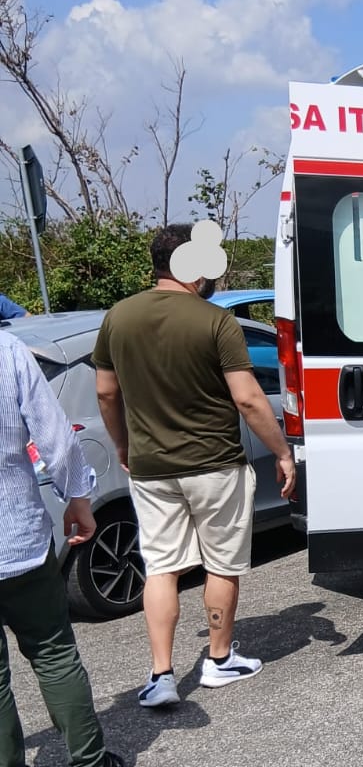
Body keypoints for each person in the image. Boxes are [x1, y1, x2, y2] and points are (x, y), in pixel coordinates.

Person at [93, 222, 296, 710]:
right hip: (215, 464)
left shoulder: (118, 317)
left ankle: (161, 675)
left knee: (161, 568)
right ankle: (219, 659)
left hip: (150, 468)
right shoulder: (215, 321)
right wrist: (283, 452)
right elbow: (248, 398)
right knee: (221, 564)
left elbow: (105, 392)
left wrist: (122, 445)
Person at [0, 330, 128, 767]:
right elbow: (54, 437)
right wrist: (77, 498)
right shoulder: (9, 351)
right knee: (53, 651)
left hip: (19, 540)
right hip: (18, 539)